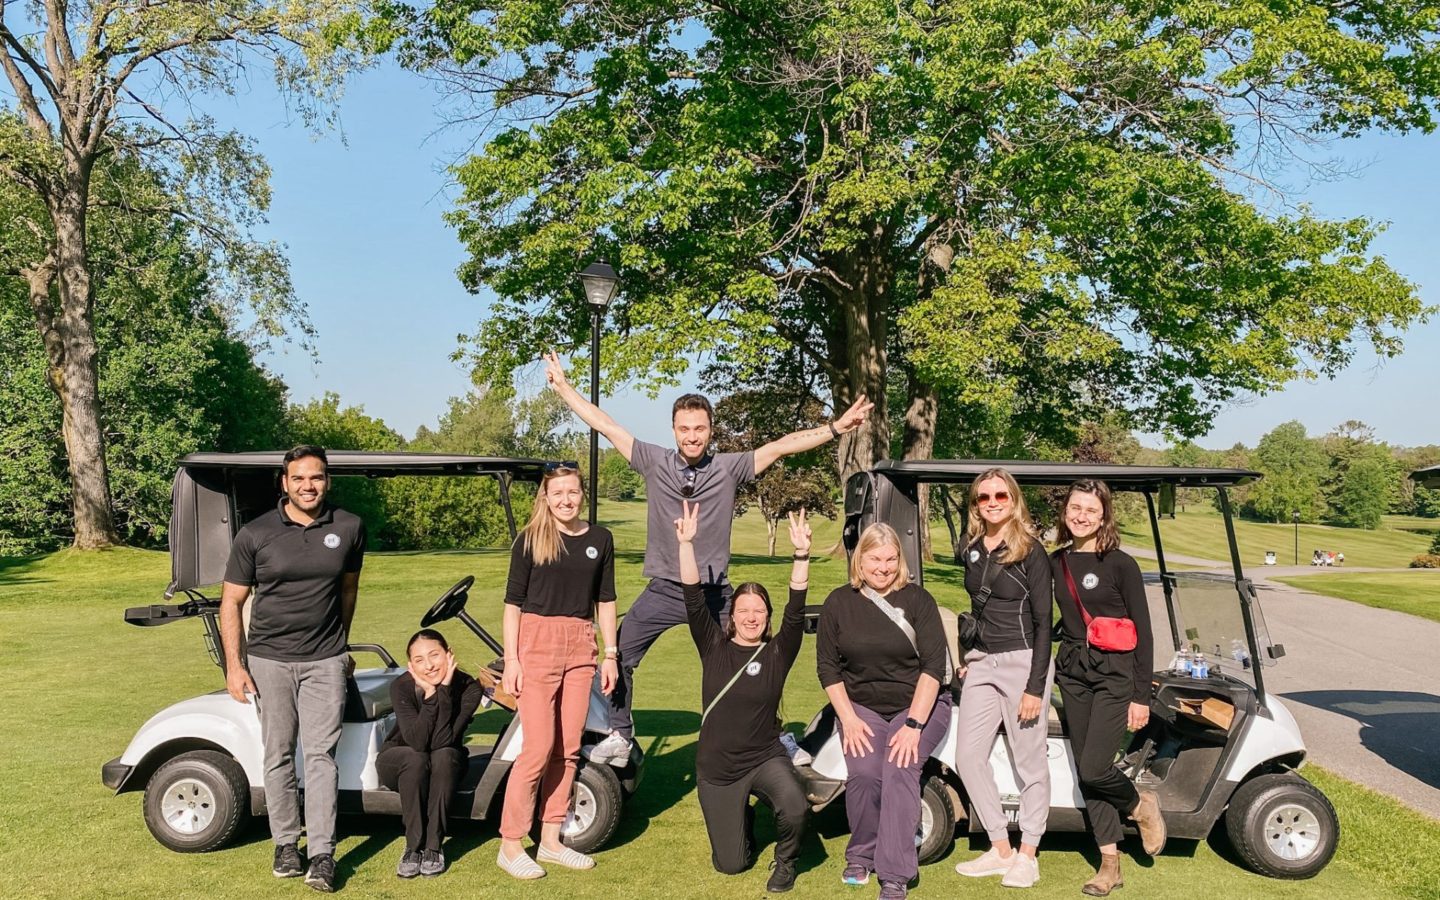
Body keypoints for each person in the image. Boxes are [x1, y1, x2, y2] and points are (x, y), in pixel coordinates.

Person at [542, 350, 873, 762]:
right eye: (685, 429)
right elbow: (606, 424)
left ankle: (773, 737)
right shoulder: (653, 461)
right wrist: (563, 388)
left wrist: (835, 427)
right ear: (674, 430)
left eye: (700, 428)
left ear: (711, 430)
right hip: (664, 589)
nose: (692, 436)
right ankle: (620, 735)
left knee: (753, 660)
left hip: (715, 594)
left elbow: (782, 446)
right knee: (617, 655)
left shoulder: (730, 468)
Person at [219, 445, 366, 893]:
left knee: (321, 757)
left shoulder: (349, 527)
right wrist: (234, 666)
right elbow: (232, 602)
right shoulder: (255, 533)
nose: (308, 486)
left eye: (317, 478)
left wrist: (340, 646)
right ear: (284, 482)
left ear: (328, 481)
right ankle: (286, 843)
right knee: (278, 754)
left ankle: (322, 854)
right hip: (269, 660)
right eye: (299, 478)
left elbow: (348, 591)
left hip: (324, 660)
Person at [679, 502, 811, 893]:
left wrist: (800, 554)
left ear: (767, 617)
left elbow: (796, 611)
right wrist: (686, 544)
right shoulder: (712, 645)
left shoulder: (777, 652)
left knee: (795, 806)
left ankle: (786, 862)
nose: (752, 617)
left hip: (763, 758)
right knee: (731, 865)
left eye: (759, 611)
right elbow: (692, 598)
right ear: (731, 616)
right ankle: (744, 821)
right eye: (743, 610)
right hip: (718, 770)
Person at [496, 463, 619, 879]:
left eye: (572, 492)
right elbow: (513, 604)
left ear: (582, 493)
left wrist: (611, 653)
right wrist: (511, 660)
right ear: (545, 498)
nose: (566, 500)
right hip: (537, 644)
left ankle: (550, 840)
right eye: (558, 493)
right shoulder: (530, 540)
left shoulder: (600, 539)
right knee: (537, 748)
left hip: (581, 644)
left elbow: (605, 600)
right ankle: (511, 843)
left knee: (567, 748)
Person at [816, 523, 952, 900]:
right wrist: (849, 718)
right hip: (863, 707)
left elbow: (933, 668)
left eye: (891, 559)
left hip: (920, 705)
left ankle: (894, 874)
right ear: (860, 559)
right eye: (875, 558)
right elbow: (828, 668)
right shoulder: (838, 603)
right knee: (863, 772)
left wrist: (912, 724)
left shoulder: (919, 601)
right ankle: (861, 853)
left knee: (899, 768)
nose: (883, 567)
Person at [1051, 479, 1167, 897]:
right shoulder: (1057, 561)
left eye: (1091, 510)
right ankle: (1110, 864)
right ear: (1065, 511)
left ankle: (1140, 805)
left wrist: (1141, 696)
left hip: (1115, 675)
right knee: (1089, 772)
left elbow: (1145, 634)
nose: (1082, 516)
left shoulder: (1121, 564)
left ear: (1104, 516)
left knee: (1095, 767)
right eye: (1075, 508)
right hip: (1073, 672)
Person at [951, 468, 1054, 889]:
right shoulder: (972, 548)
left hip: (1023, 662)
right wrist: (969, 658)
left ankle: (1028, 853)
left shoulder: (1031, 551)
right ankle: (1000, 847)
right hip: (982, 663)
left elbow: (1045, 623)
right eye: (983, 497)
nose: (992, 503)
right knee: (968, 757)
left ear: (1013, 499)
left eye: (1000, 496)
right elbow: (978, 609)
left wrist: (1034, 686)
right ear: (975, 503)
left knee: (1029, 760)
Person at [378, 629, 483, 878]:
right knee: (417, 758)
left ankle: (434, 846)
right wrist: (430, 695)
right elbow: (416, 741)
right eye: (419, 660)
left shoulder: (470, 688)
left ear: (449, 654)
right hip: (401, 757)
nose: (429, 666)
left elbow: (441, 740)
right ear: (410, 665)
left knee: (443, 755)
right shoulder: (401, 686)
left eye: (434, 655)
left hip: (445, 758)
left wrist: (442, 691)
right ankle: (413, 847)